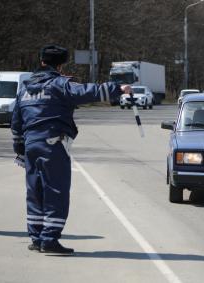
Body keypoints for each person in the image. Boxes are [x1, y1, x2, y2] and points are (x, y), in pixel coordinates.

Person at [11, 45, 131, 254]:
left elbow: (16, 122)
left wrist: (20, 149)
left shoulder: (25, 88)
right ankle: (49, 240)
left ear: (41, 62)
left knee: (35, 191)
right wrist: (117, 88)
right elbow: (87, 92)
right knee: (56, 191)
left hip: (31, 145)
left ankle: (36, 237)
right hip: (53, 144)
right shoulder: (59, 84)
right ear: (60, 64)